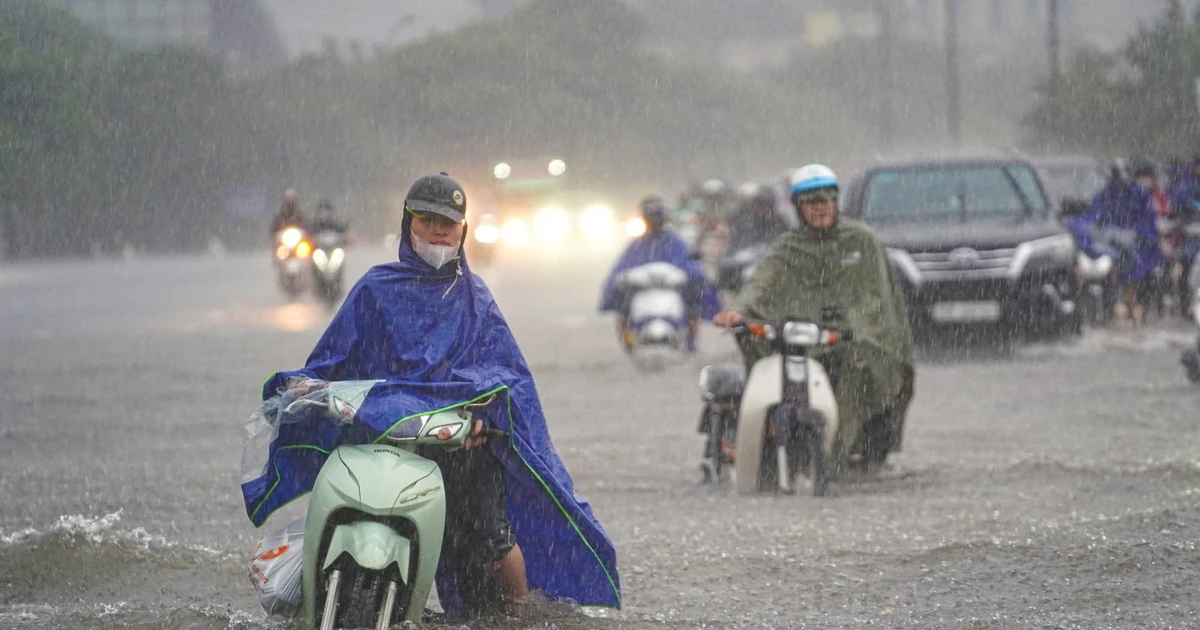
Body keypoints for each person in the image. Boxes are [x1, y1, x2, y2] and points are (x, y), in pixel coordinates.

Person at [245, 173, 620, 616]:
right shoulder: (374, 289)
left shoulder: (475, 298)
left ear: (463, 230)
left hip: (460, 446)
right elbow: (332, 360)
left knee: (492, 544)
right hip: (382, 440)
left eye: (449, 222)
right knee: (334, 515)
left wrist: (485, 415)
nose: (439, 231)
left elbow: (506, 377)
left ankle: (520, 617)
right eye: (429, 220)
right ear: (409, 224)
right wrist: (303, 384)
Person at [713, 164, 915, 476]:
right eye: (811, 202)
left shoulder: (861, 241)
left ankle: (837, 453)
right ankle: (766, 440)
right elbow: (762, 284)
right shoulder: (788, 247)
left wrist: (856, 329)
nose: (819, 208)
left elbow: (876, 298)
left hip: (854, 339)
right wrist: (739, 312)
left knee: (862, 365)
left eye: (825, 200)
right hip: (804, 336)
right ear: (798, 206)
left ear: (835, 201)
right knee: (756, 340)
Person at [599, 195, 720, 353]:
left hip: (673, 288)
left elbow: (690, 264)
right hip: (641, 289)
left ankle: (691, 339)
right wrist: (619, 280)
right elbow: (622, 268)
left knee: (693, 304)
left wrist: (693, 275)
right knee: (623, 308)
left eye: (657, 218)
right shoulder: (637, 245)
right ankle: (628, 341)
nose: (654, 222)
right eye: (651, 218)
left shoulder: (675, 242)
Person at [1069, 159, 1164, 326]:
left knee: (1148, 271)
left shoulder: (1140, 194)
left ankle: (1143, 307)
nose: (1123, 185)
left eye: (1125, 181)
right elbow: (1093, 218)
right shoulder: (1104, 195)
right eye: (1119, 182)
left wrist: (1138, 235)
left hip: (1140, 245)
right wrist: (1088, 230)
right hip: (1110, 247)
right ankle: (1110, 308)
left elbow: (1149, 220)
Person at [724, 182, 791, 253]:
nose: (760, 206)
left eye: (764, 203)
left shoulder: (780, 223)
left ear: (771, 205)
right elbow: (735, 244)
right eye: (758, 203)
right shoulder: (746, 221)